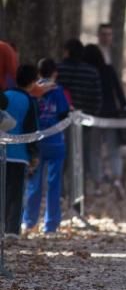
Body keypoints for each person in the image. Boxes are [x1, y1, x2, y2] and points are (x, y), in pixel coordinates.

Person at [23, 59, 70, 233]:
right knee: (54, 183)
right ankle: (51, 225)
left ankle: (29, 222)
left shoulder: (33, 90)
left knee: (34, 183)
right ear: (55, 72)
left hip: (35, 142)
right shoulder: (58, 91)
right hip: (56, 142)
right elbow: (65, 113)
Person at [57, 38, 102, 195]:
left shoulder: (59, 70)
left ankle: (61, 192)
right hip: (85, 120)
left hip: (61, 121)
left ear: (67, 51)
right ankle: (79, 192)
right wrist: (91, 115)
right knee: (81, 158)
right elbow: (97, 98)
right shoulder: (91, 72)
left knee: (62, 159)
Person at [83, 44, 126, 198]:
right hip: (112, 116)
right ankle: (116, 180)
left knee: (94, 151)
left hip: (93, 116)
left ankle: (97, 184)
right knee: (113, 150)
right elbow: (119, 92)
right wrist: (124, 107)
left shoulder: (88, 72)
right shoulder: (108, 69)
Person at [4, 65, 39, 235]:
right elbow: (31, 130)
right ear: (33, 82)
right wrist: (34, 154)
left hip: (2, 153)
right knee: (16, 194)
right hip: (20, 155)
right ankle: (12, 230)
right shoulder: (30, 102)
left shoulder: (5, 96)